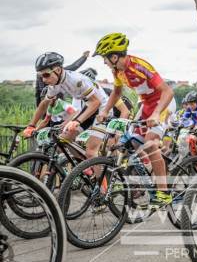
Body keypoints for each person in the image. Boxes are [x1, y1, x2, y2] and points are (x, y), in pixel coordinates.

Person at [93, 33, 176, 208]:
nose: (104, 62)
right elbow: (116, 93)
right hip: (145, 104)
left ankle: (164, 192)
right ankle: (154, 169)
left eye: (105, 58)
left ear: (114, 56)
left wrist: (156, 114)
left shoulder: (139, 66)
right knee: (133, 141)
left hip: (163, 104)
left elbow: (168, 91)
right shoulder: (117, 71)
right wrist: (105, 111)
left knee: (150, 143)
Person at [24, 52, 108, 159]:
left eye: (46, 75)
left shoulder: (76, 80)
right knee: (62, 140)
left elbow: (96, 102)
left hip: (102, 108)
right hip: (89, 107)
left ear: (58, 70)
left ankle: (99, 172)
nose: (44, 80)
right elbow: (44, 104)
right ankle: (84, 168)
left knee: (91, 152)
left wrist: (76, 121)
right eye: (41, 76)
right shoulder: (55, 84)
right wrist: (31, 125)